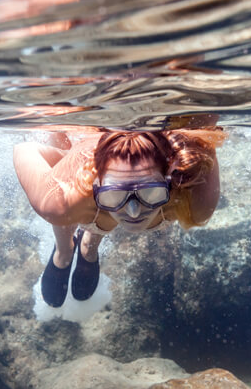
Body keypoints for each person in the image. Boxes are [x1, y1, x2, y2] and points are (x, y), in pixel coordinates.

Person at [13, 126, 225, 307]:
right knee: (65, 210)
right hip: (82, 176)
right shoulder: (61, 202)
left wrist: (114, 197)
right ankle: (64, 250)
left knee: (97, 207)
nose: (134, 212)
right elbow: (24, 149)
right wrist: (64, 159)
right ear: (95, 183)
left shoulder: (195, 197)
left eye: (150, 192)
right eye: (114, 194)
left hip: (99, 192)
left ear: (170, 180)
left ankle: (89, 247)